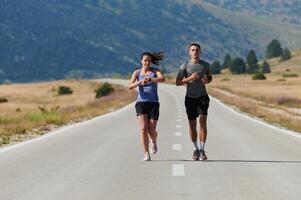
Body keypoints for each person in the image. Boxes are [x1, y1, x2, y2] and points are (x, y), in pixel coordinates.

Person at [176, 43, 212, 161]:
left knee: (203, 121)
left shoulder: (205, 65)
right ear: (189, 52)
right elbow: (178, 82)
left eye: (197, 50)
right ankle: (195, 148)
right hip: (190, 98)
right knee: (192, 124)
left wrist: (206, 80)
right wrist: (190, 78)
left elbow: (209, 78)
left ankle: (202, 149)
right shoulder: (185, 65)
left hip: (202, 96)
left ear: (200, 52)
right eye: (193, 50)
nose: (195, 52)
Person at [128, 51, 165, 161]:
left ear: (151, 61)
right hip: (141, 103)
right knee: (143, 129)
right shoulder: (137, 73)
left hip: (153, 103)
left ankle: (153, 141)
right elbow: (130, 86)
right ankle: (146, 153)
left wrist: (150, 79)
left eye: (149, 61)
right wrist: (140, 82)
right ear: (141, 61)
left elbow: (162, 79)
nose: (147, 62)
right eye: (145, 60)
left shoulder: (155, 71)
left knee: (151, 131)